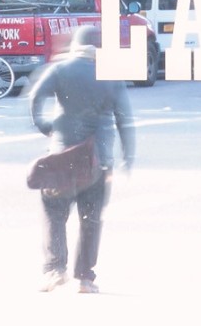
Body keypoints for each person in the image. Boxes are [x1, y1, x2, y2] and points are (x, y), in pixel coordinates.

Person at [29, 21, 136, 294]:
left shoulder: (61, 69)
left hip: (62, 155)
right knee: (91, 218)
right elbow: (124, 119)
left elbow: (36, 97)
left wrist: (44, 127)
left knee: (53, 212)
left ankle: (54, 269)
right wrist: (128, 155)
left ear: (76, 45)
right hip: (99, 161)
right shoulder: (111, 75)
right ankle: (84, 279)